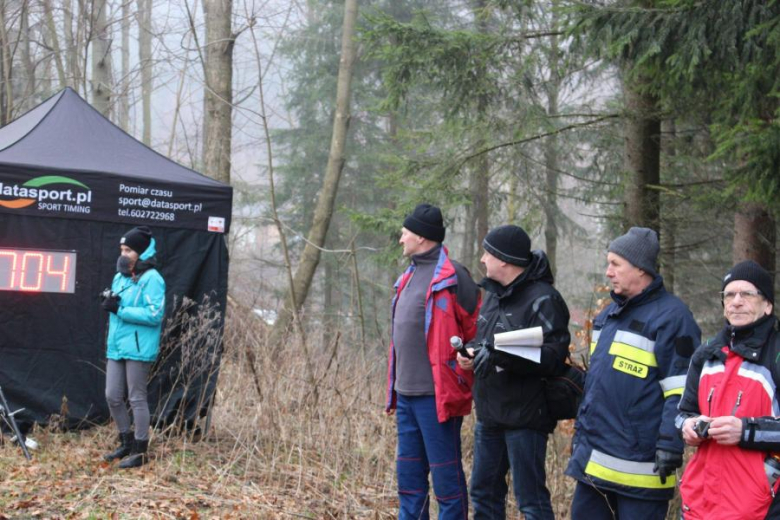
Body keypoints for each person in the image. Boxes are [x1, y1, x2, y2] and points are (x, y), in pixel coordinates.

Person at [566, 227, 701, 519]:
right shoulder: (607, 317)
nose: (608, 272)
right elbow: (597, 386)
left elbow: (680, 391)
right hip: (594, 465)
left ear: (640, 268)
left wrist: (670, 442)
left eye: (615, 264)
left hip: (642, 472)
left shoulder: (674, 319)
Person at [456, 225, 570, 520]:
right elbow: (485, 341)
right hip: (490, 416)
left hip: (526, 418)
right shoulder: (492, 294)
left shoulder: (544, 299)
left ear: (504, 260)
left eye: (487, 253)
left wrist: (500, 355)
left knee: (531, 502)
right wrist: (471, 353)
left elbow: (554, 358)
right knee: (483, 494)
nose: (482, 259)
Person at [385, 203, 481, 519]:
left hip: (437, 399)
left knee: (447, 485)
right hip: (406, 397)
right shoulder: (406, 277)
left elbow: (478, 331)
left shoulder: (455, 278)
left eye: (405, 233)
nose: (401, 239)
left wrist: (469, 358)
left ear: (422, 237)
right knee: (410, 485)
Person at [676, 260, 780, 519]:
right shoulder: (706, 353)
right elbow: (682, 413)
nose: (736, 301)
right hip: (701, 500)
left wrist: (745, 431)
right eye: (729, 294)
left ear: (767, 304)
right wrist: (688, 427)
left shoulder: (776, 353)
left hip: (761, 506)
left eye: (747, 293)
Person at [101, 226, 165, 469]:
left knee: (137, 398)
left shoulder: (153, 278)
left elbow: (154, 314)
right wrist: (109, 300)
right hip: (117, 344)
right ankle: (126, 441)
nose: (123, 253)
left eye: (128, 249)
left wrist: (120, 309)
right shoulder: (120, 276)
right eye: (121, 249)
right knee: (112, 396)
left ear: (141, 252)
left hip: (138, 345)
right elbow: (118, 303)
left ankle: (140, 450)